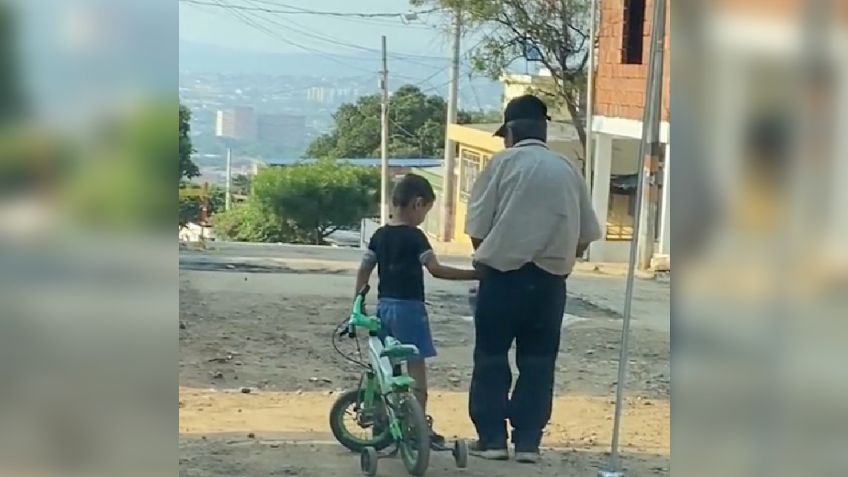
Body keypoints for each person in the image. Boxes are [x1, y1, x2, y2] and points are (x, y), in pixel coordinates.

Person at [465, 95, 602, 463]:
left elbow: (477, 230)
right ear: (543, 130)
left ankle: (492, 439)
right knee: (539, 361)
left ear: (509, 131)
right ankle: (528, 442)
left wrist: (497, 251)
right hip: (549, 284)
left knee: (492, 357)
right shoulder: (567, 170)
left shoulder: (500, 165)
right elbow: (586, 236)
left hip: (501, 278)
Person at [356, 173, 478, 447]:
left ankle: (382, 426)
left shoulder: (380, 235)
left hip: (384, 309)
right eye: (426, 210)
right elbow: (435, 269)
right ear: (417, 204)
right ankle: (417, 425)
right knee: (415, 368)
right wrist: (476, 274)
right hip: (410, 310)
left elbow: (364, 268)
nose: (424, 217)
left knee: (385, 367)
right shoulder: (416, 237)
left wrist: (359, 301)